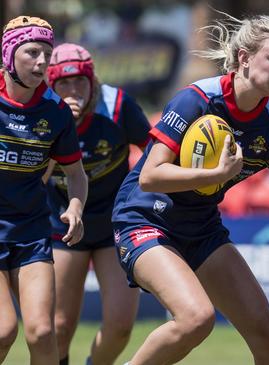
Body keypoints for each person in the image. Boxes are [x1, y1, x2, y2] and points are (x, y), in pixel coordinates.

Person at [111, 13, 269, 365]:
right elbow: (150, 176)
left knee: (267, 333)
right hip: (145, 219)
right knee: (196, 319)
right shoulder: (197, 99)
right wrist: (213, 175)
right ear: (245, 59)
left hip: (201, 227)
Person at [45, 43, 151, 365]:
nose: (73, 90)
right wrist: (59, 129)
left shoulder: (117, 106)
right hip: (62, 225)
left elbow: (156, 153)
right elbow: (34, 179)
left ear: (93, 81)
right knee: (59, 326)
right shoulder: (42, 112)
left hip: (115, 225)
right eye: (63, 83)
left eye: (80, 81)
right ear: (51, 85)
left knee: (120, 326)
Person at [0, 16, 87, 364]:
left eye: (47, 54)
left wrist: (76, 206)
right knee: (4, 330)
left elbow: (76, 174)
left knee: (42, 332)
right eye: (32, 51)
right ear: (8, 55)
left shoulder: (55, 111)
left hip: (31, 229)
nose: (41, 62)